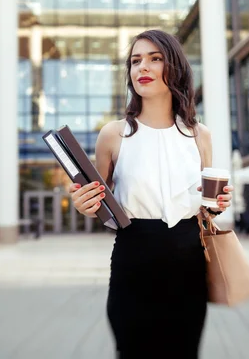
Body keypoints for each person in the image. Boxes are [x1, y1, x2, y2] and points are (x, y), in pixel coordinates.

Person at [68, 30, 233, 358]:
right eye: (135, 61)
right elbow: (98, 199)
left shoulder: (200, 135)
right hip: (135, 258)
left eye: (154, 58)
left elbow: (205, 207)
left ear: (175, 67)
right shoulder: (114, 134)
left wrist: (216, 206)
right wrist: (82, 203)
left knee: (184, 352)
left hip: (188, 261)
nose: (142, 66)